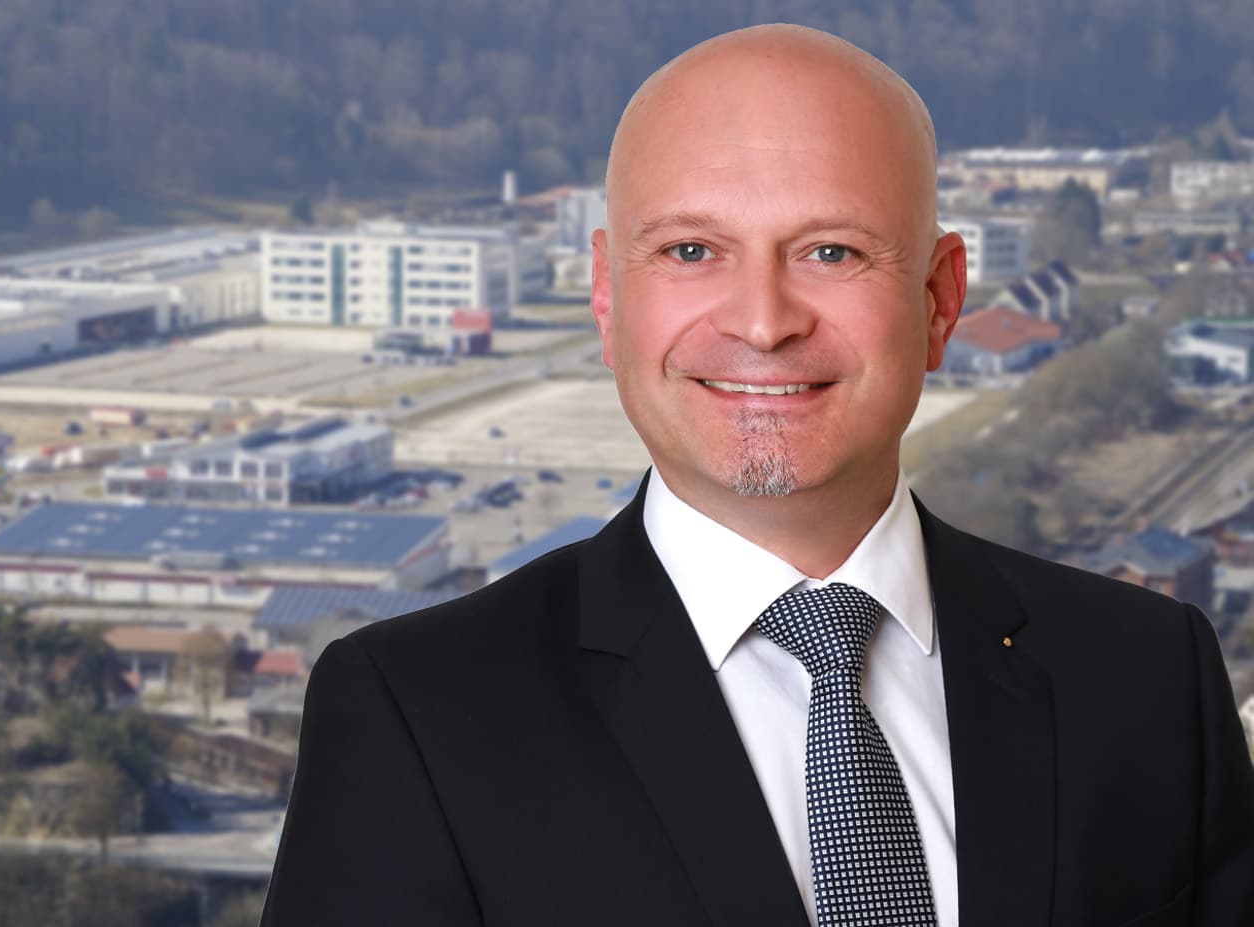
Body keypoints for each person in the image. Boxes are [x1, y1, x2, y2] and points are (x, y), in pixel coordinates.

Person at [260, 24, 1254, 927]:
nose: (763, 321)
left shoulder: (1147, 675)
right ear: (607, 298)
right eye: (692, 250)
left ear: (939, 299)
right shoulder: (416, 715)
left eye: (831, 250)